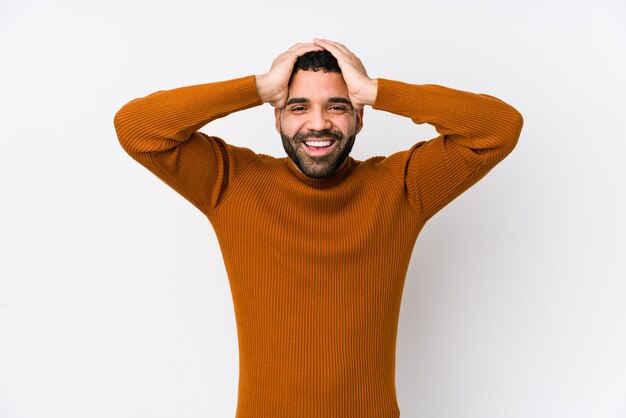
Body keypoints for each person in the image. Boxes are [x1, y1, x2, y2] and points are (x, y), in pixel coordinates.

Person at [114, 38, 523, 418]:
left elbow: (498, 128)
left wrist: (377, 90)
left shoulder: (402, 188)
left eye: (338, 106)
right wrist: (256, 87)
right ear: (276, 117)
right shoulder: (231, 183)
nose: (318, 123)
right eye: (299, 107)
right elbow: (137, 128)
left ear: (360, 118)